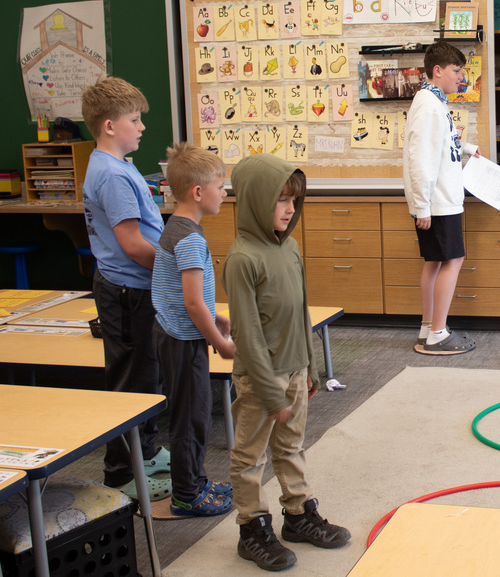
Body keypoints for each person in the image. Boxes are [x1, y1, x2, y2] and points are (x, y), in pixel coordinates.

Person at [224, 154, 349, 571]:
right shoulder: (243, 259)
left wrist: (311, 367)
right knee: (250, 457)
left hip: (296, 368)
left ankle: (297, 515)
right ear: (257, 201)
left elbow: (300, 311)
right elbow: (247, 335)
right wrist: (269, 388)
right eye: (280, 200)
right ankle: (252, 528)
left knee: (291, 447)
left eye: (294, 200)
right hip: (261, 378)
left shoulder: (290, 248)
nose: (289, 208)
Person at [81, 76, 170, 502]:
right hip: (127, 291)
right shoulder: (112, 175)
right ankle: (120, 471)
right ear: (109, 125)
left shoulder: (118, 166)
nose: (142, 127)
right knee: (131, 383)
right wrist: (177, 267)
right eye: (134, 120)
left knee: (146, 374)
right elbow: (133, 244)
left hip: (130, 288)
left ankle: (146, 453)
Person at [152, 143, 235, 516]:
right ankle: (186, 493)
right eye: (221, 186)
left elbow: (187, 296)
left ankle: (196, 481)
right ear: (198, 193)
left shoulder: (179, 227)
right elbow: (191, 302)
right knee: (192, 415)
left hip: (180, 332)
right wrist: (219, 341)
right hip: (182, 338)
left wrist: (215, 318)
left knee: (195, 411)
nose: (225, 193)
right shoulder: (188, 237)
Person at [402, 40, 480, 355]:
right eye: (456, 71)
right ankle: (438, 333)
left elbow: (442, 146)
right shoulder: (428, 104)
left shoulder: (434, 102)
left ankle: (427, 327)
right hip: (438, 201)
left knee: (435, 261)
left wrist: (468, 150)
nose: (460, 78)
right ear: (438, 70)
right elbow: (420, 158)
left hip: (438, 200)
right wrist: (422, 206)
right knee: (453, 259)